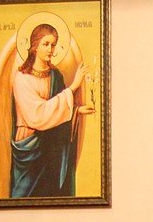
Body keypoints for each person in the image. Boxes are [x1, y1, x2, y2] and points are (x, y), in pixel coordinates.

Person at [9, 23, 94, 199]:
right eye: (46, 44)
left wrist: (76, 111)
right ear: (34, 46)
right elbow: (38, 116)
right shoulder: (22, 78)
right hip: (29, 149)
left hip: (50, 149)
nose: (50, 49)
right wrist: (73, 88)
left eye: (53, 44)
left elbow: (57, 112)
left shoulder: (56, 76)